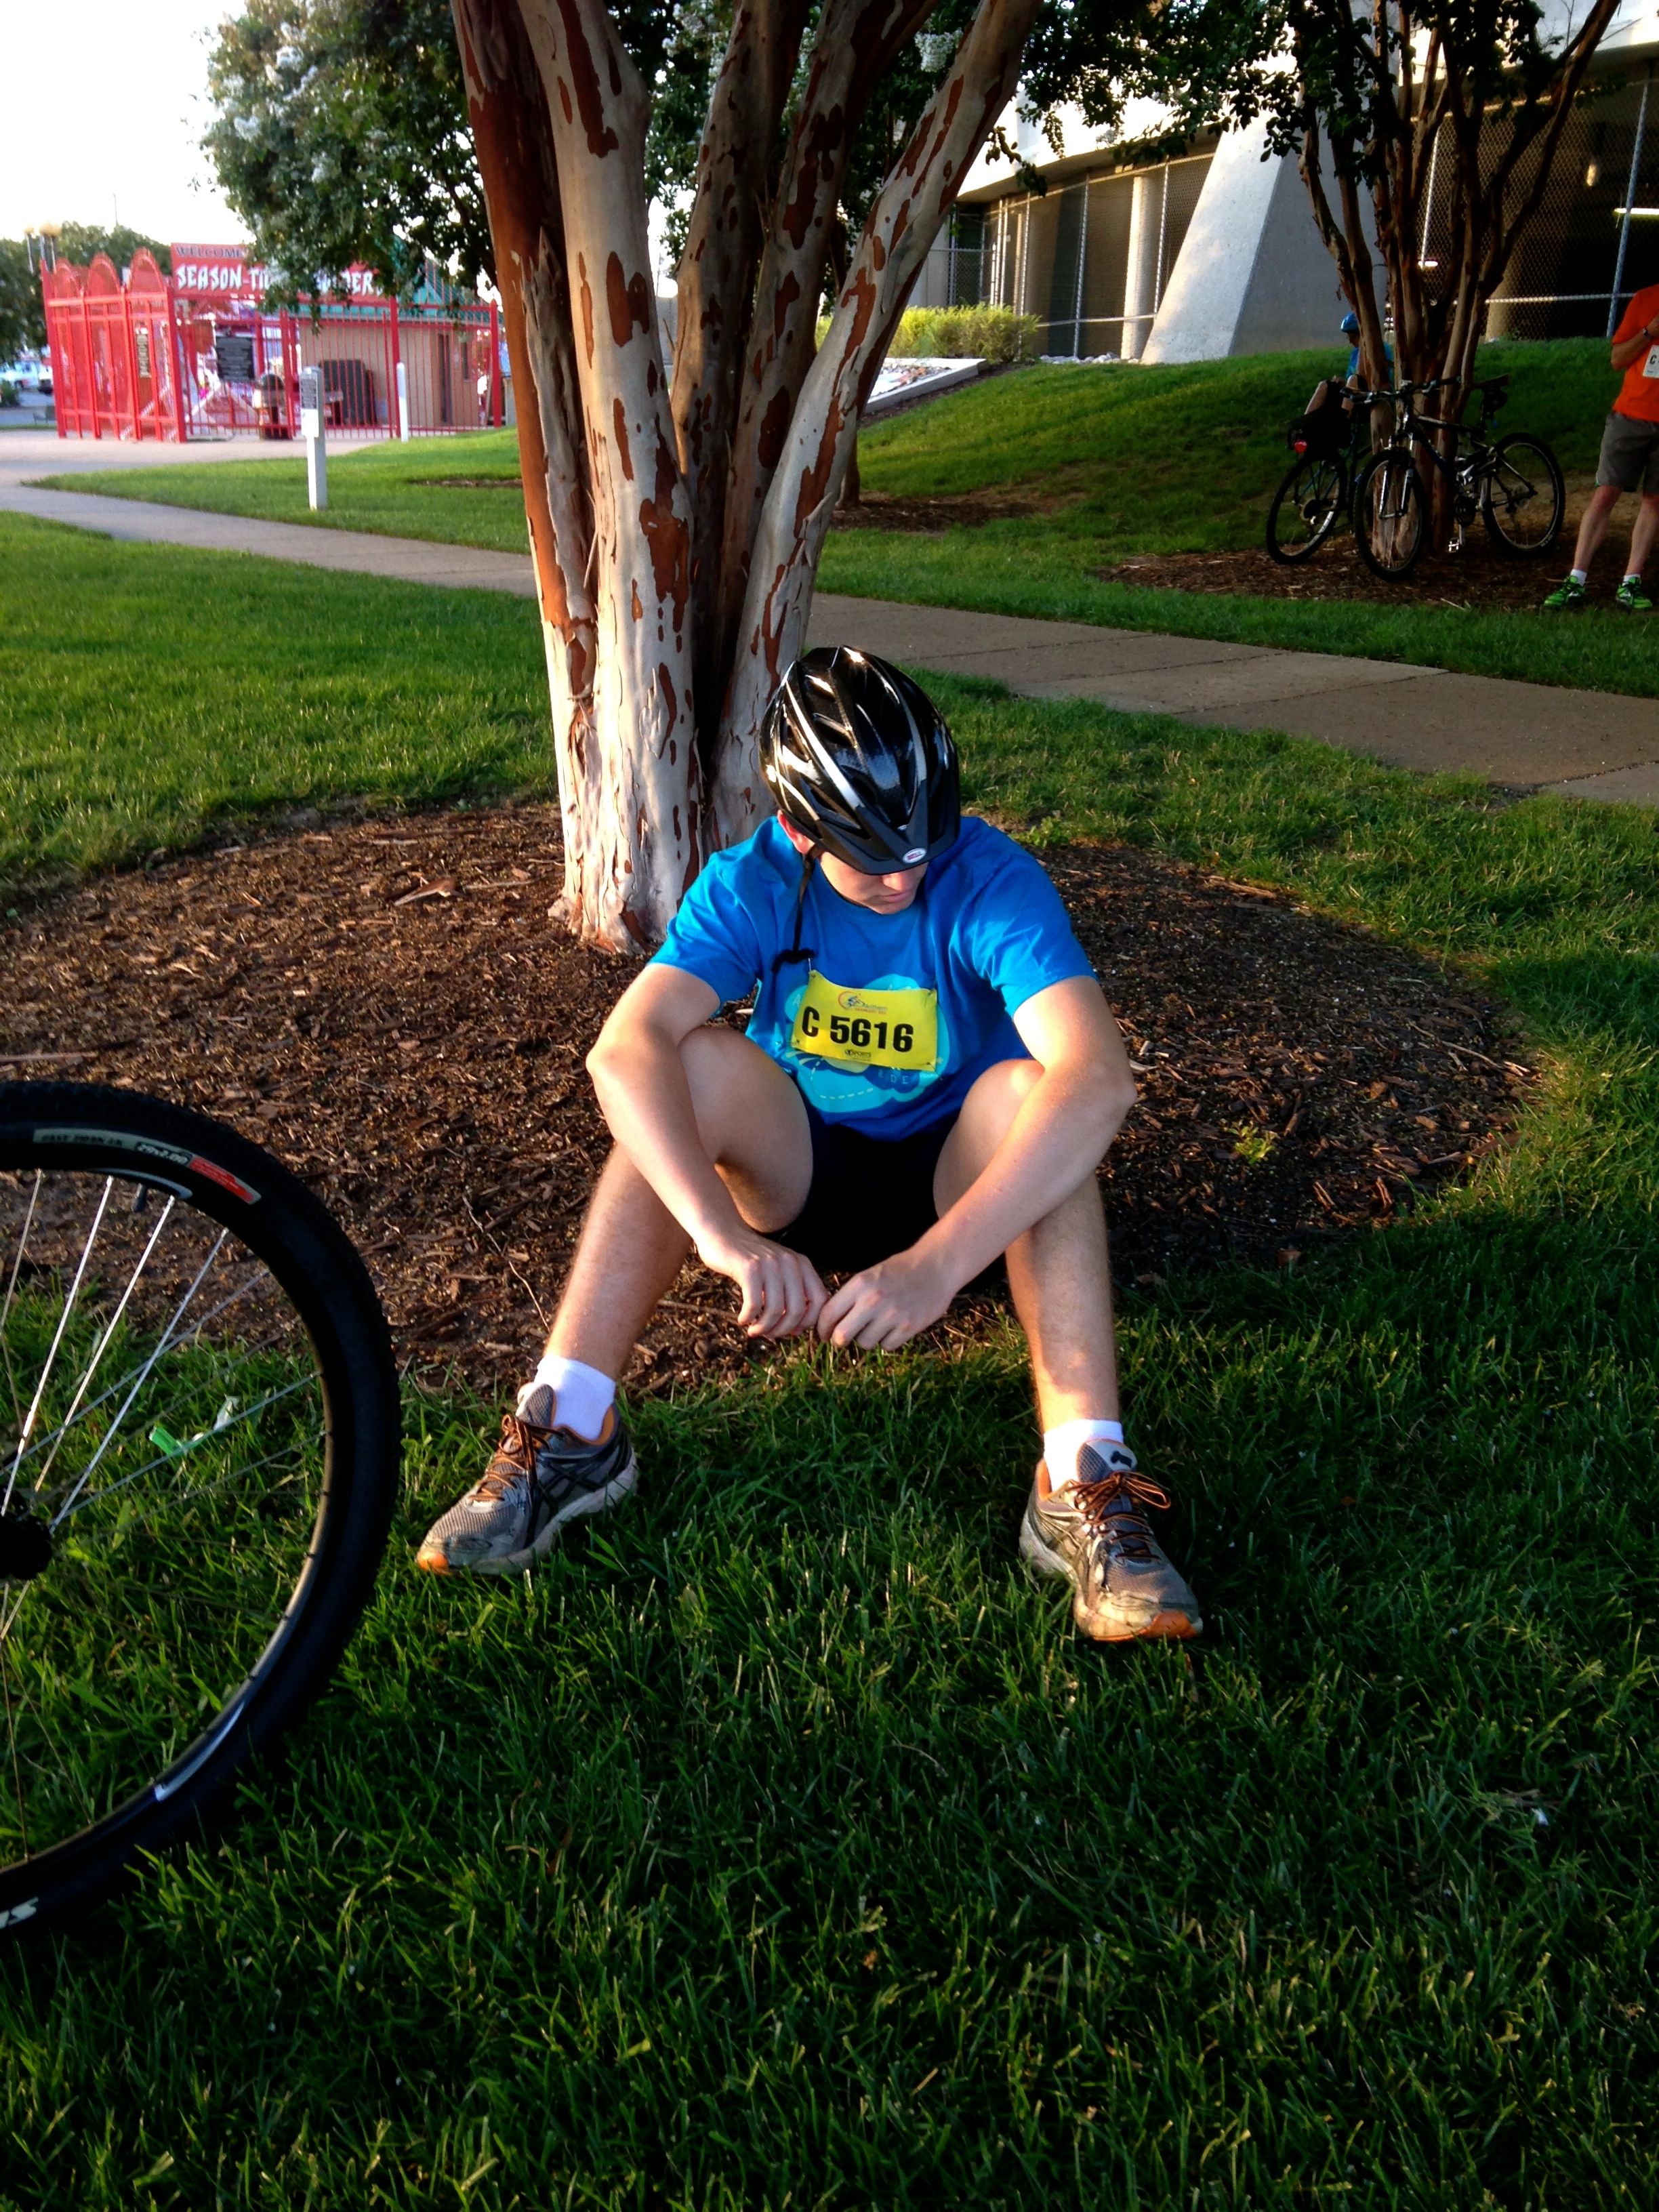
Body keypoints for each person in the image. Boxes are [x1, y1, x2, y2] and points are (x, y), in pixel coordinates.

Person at [416, 649, 1203, 1644]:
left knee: (1036, 1097)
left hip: (959, 1189)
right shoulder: (752, 879)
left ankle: (1082, 1476)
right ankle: (571, 1426)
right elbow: (622, 1051)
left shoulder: (990, 875)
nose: (905, 876)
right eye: (873, 858)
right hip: (800, 1173)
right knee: (686, 1067)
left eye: (923, 846)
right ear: (798, 829)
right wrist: (721, 1236)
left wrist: (936, 1267)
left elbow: (1100, 1079)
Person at [1544, 282, 1659, 612]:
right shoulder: (1646, 299)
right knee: (1606, 492)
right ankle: (1576, 580)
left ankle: (1631, 582)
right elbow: (1617, 359)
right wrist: (1649, 332)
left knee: (1655, 500)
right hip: (1630, 417)